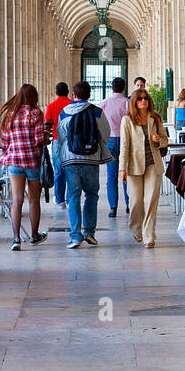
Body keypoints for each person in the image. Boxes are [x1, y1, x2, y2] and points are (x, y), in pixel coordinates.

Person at [57, 81, 111, 249]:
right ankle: (89, 233)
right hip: (91, 159)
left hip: (71, 160)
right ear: (89, 95)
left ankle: (75, 237)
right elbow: (105, 135)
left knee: (73, 197)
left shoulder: (65, 112)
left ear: (74, 95)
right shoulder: (96, 112)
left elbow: (61, 136)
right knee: (91, 195)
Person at [0, 84, 49, 251]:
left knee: (17, 200)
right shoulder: (35, 114)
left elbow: (5, 143)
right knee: (34, 200)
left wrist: (13, 151)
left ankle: (16, 238)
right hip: (32, 161)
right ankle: (34, 236)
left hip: (14, 161)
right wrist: (46, 136)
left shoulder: (10, 115)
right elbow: (38, 140)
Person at [119, 88, 169, 248]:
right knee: (135, 202)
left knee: (150, 200)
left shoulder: (155, 118)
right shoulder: (127, 120)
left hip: (153, 165)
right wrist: (122, 168)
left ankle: (149, 236)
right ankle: (136, 228)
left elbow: (165, 140)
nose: (143, 101)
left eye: (146, 98)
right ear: (134, 102)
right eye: (140, 99)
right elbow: (124, 145)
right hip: (134, 165)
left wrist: (158, 140)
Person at [101, 77, 130, 217]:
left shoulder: (105, 103)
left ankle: (113, 208)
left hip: (110, 140)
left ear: (111, 88)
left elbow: (98, 119)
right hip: (126, 140)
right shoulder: (127, 103)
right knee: (127, 173)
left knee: (111, 175)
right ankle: (129, 204)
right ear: (124, 88)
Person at [43, 81, 73, 208]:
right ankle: (71, 198)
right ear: (67, 92)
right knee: (71, 170)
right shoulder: (72, 104)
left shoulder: (51, 106)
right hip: (71, 141)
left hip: (57, 141)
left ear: (55, 93)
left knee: (59, 171)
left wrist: (46, 138)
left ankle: (60, 200)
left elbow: (47, 125)